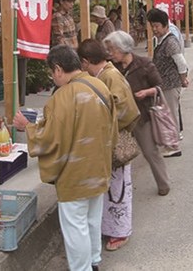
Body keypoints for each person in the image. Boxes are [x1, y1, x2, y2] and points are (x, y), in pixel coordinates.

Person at [13, 45, 118, 271]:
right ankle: (94, 260)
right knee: (92, 219)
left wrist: (28, 128)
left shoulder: (62, 97)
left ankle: (82, 268)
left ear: (58, 69)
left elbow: (50, 138)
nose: (53, 77)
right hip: (99, 166)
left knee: (75, 226)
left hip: (75, 174)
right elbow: (113, 127)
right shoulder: (99, 85)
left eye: (52, 72)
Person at [77, 39, 140, 252]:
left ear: (86, 62)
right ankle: (111, 227)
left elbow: (125, 111)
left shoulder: (110, 76)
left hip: (115, 139)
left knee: (117, 189)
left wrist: (103, 127)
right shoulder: (106, 74)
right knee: (112, 188)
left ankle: (120, 231)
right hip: (108, 139)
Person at [103, 31, 171, 196]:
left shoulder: (144, 64)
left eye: (112, 50)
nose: (110, 53)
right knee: (121, 155)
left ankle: (164, 184)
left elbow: (159, 86)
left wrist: (146, 92)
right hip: (121, 118)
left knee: (150, 151)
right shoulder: (112, 67)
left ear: (123, 48)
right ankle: (120, 192)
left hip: (141, 116)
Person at [146, 8, 188, 155]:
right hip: (165, 85)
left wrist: (183, 79)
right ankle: (169, 144)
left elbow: (181, 63)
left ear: (165, 25)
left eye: (157, 26)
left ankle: (174, 147)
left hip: (170, 84)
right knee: (168, 115)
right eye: (152, 26)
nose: (154, 29)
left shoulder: (170, 42)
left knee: (171, 115)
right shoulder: (162, 40)